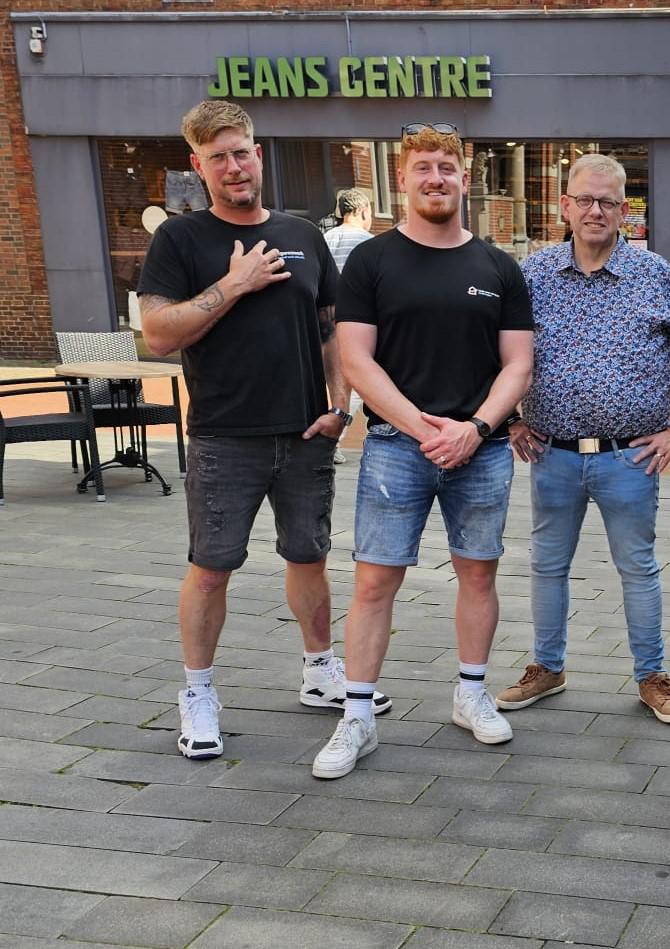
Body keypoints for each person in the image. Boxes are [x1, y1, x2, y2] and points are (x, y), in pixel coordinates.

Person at [137, 100, 377, 761]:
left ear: (258, 153)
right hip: (224, 436)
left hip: (305, 434)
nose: (233, 166)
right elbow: (157, 334)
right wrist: (235, 284)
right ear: (198, 166)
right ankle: (198, 692)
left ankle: (320, 669)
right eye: (217, 157)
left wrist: (341, 406)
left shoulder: (302, 234)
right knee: (211, 569)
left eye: (241, 152)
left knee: (309, 556)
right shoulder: (181, 241)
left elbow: (331, 330)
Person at [310, 123, 534, 779]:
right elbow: (356, 360)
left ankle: (471, 693)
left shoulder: (498, 267)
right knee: (375, 580)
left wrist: (476, 429)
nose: (435, 178)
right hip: (394, 447)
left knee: (478, 573)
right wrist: (423, 429)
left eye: (446, 166)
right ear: (402, 179)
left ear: (464, 177)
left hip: (481, 450)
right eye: (423, 168)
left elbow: (518, 364)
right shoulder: (372, 262)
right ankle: (357, 714)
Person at [499, 153, 670, 723]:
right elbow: (494, 347)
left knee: (637, 568)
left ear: (624, 211)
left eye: (608, 202)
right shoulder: (533, 275)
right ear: (565, 206)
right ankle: (547, 667)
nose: (595, 211)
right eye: (585, 200)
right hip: (552, 454)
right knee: (547, 564)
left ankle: (652, 675)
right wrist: (508, 420)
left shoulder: (654, 275)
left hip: (630, 458)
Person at [322, 188, 376, 464]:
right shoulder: (370, 243)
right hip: (359, 322)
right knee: (358, 380)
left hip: (326, 322)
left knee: (335, 380)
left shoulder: (325, 239)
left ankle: (330, 438)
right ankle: (335, 436)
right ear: (363, 211)